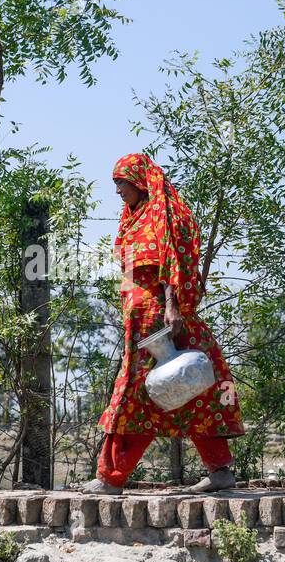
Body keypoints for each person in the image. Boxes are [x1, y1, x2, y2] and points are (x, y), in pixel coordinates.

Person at [82, 153, 244, 495]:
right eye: (115, 184)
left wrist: (172, 307)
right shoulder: (133, 217)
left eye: (122, 183)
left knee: (137, 396)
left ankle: (111, 476)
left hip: (159, 317)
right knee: (188, 387)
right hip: (139, 317)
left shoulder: (162, 216)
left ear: (140, 181)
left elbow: (172, 261)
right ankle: (220, 470)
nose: (118, 191)